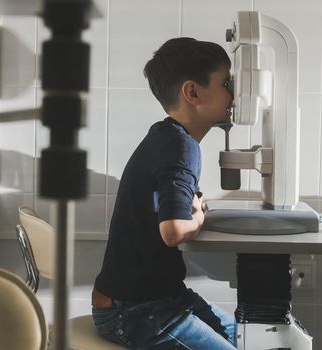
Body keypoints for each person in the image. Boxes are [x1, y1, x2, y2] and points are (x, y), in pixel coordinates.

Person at [91, 37, 236, 349]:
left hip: (162, 298)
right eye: (227, 83)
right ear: (192, 92)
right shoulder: (182, 146)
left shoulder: (166, 136)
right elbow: (172, 230)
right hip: (134, 312)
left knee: (251, 338)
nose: (234, 94)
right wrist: (196, 217)